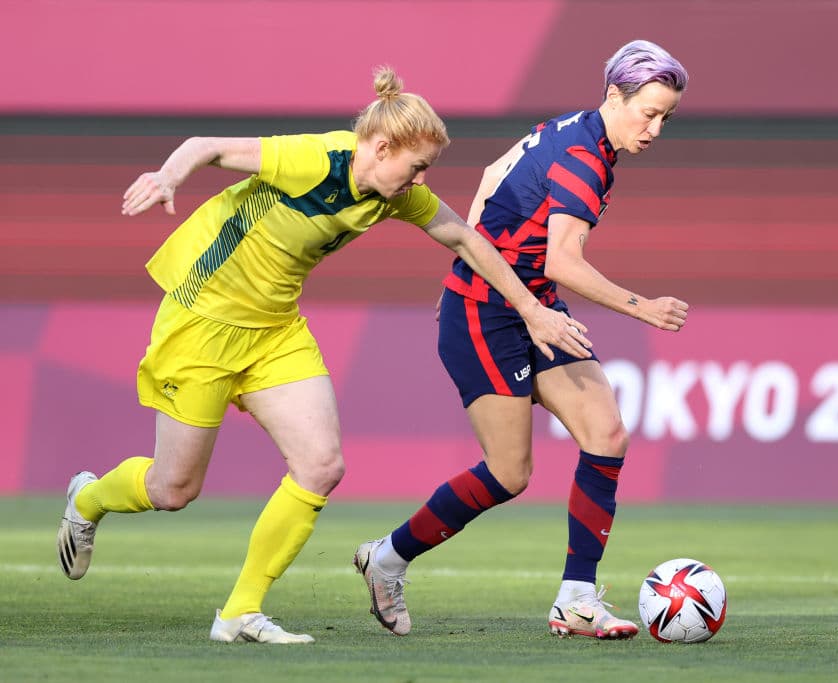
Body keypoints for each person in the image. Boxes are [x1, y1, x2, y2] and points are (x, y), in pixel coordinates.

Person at [55, 67, 592, 645]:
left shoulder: (395, 195)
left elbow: (465, 238)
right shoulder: (316, 159)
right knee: (172, 491)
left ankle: (240, 613)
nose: (421, 180)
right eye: (418, 166)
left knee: (321, 465)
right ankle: (88, 497)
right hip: (203, 322)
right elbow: (203, 147)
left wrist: (533, 312)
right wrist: (167, 178)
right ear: (382, 147)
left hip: (275, 331)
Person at [354, 40, 689, 640]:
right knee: (509, 473)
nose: (656, 128)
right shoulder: (586, 158)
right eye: (650, 112)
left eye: (666, 116)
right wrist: (646, 308)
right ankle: (386, 560)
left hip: (533, 308)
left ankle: (577, 599)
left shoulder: (572, 128)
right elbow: (563, 261)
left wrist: (484, 265)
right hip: (486, 315)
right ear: (616, 95)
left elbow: (490, 178)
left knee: (606, 435)